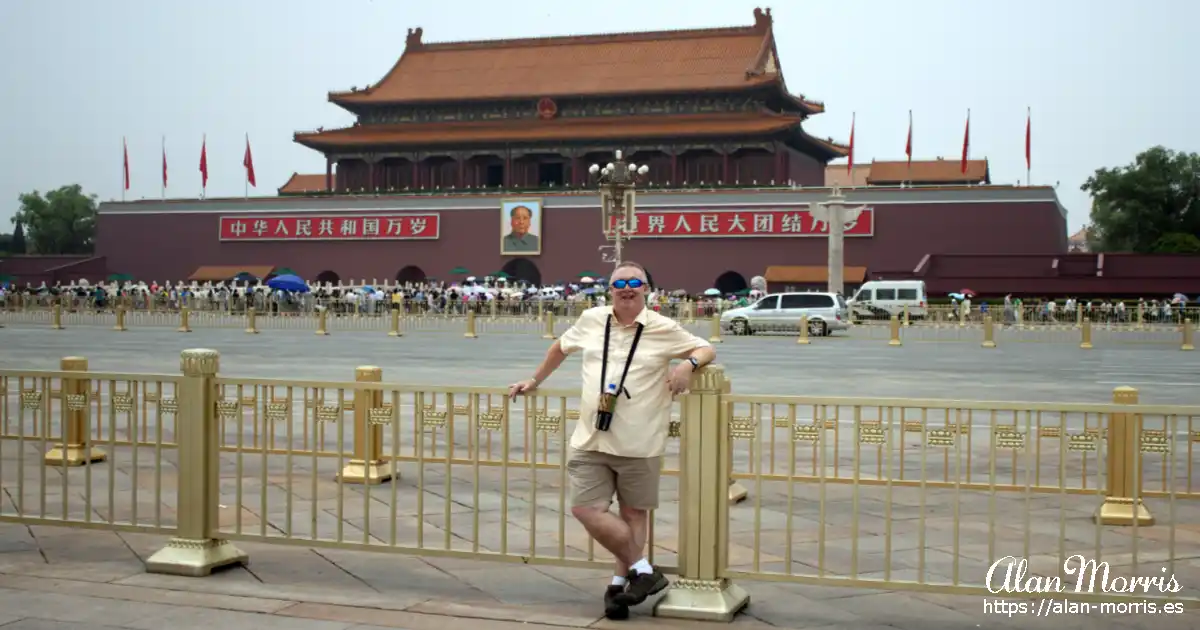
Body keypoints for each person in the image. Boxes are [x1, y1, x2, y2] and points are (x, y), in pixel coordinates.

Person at [507, 261, 715, 619]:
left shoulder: (663, 328)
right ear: (610, 289)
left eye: (636, 282)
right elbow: (559, 347)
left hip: (640, 439)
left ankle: (620, 586)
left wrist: (686, 367)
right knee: (585, 509)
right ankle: (646, 571)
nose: (627, 288)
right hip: (591, 437)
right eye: (620, 282)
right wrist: (535, 380)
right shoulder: (592, 319)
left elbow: (705, 348)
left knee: (634, 513)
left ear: (648, 289)